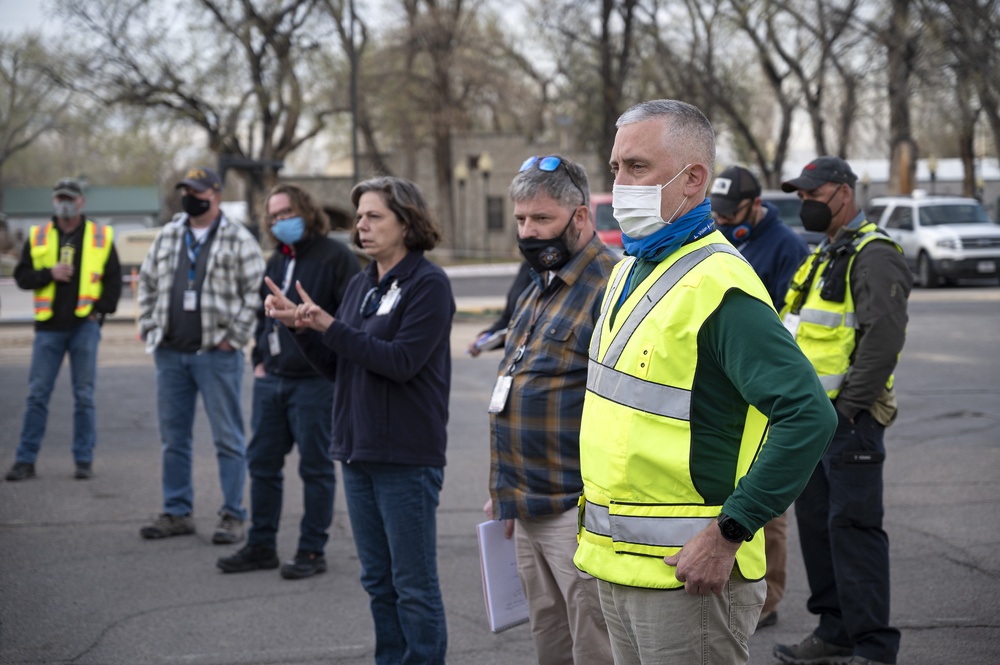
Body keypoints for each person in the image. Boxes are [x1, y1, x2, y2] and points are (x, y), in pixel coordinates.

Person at [572, 99, 839, 665]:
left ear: (693, 179)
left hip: (688, 577)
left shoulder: (721, 285)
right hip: (617, 567)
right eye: (616, 166)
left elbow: (808, 415)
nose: (619, 183)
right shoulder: (629, 268)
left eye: (637, 167)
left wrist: (729, 534)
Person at [265, 176, 453, 665]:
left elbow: (400, 361)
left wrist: (331, 325)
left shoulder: (428, 284)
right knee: (378, 581)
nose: (362, 226)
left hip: (405, 457)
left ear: (407, 223)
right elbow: (338, 365)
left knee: (412, 584)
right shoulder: (360, 282)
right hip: (357, 449)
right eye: (361, 217)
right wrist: (304, 329)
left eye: (374, 217)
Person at [773, 156, 911, 665]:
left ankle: (874, 647)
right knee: (817, 528)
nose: (806, 205)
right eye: (802, 197)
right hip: (812, 422)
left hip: (848, 422)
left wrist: (849, 409)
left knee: (853, 532)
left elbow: (883, 340)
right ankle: (834, 631)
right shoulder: (827, 252)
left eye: (814, 196)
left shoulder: (873, 255)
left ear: (844, 194)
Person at [484, 155, 616, 664]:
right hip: (526, 503)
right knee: (551, 644)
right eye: (521, 220)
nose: (528, 232)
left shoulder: (611, 287)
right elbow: (513, 387)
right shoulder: (540, 284)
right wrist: (504, 487)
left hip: (577, 511)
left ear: (580, 217)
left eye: (541, 219)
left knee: (595, 647)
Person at [216, 183, 360, 579]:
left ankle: (312, 551)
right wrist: (259, 358)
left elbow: (351, 321)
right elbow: (267, 314)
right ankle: (261, 545)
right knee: (262, 464)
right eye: (274, 216)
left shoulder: (336, 258)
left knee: (314, 469)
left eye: (287, 213)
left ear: (307, 212)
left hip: (315, 382)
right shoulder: (278, 258)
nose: (281, 222)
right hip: (272, 381)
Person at [137, 166, 264, 545]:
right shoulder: (169, 235)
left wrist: (233, 338)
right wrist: (148, 324)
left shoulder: (239, 239)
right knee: (174, 438)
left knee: (228, 438)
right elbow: (146, 281)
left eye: (196, 190)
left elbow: (255, 293)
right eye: (185, 190)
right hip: (171, 353)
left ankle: (232, 514)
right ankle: (177, 512)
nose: (189, 196)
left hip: (216, 355)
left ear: (215, 194)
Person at [710, 164, 811, 629]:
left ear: (755, 204)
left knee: (769, 508)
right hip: (732, 391)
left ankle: (768, 601)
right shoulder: (728, 236)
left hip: (766, 388)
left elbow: (793, 324)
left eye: (732, 212)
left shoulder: (785, 247)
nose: (724, 220)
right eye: (720, 212)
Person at [6, 178, 121, 482]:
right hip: (48, 329)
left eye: (69, 197)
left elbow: (113, 282)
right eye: (59, 198)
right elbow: (22, 277)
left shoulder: (100, 235)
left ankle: (83, 460)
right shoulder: (39, 235)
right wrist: (49, 273)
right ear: (53, 201)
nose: (63, 203)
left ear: (81, 201)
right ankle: (25, 460)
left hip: (85, 327)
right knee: (36, 395)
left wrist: (99, 312)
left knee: (84, 397)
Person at [466, 260, 532, 357]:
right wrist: (488, 335)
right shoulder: (527, 266)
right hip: (516, 360)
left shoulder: (552, 273)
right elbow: (509, 317)